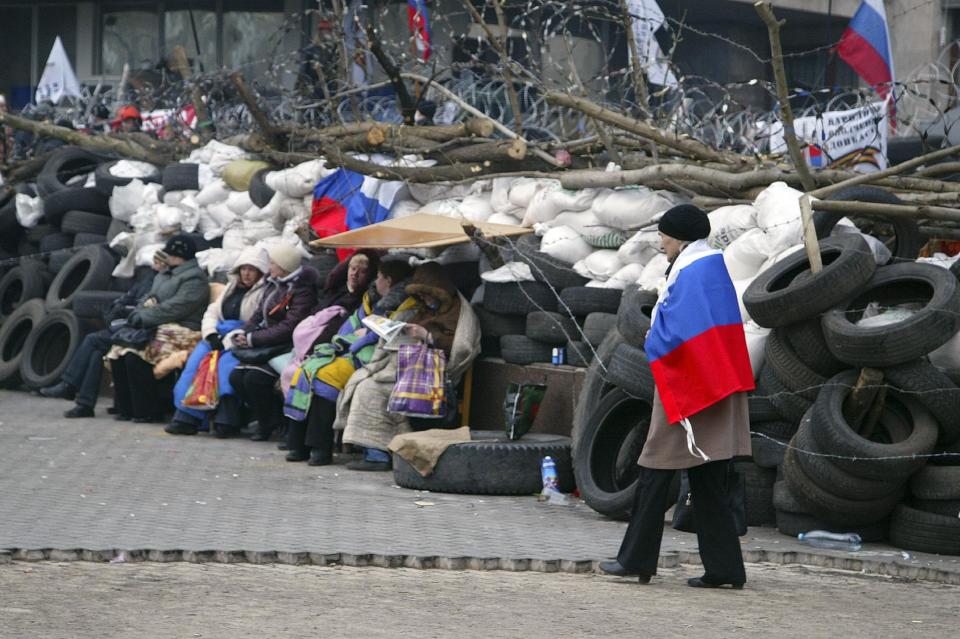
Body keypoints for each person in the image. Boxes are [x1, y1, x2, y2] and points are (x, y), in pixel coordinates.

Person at [599, 204, 754, 589]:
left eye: (665, 235)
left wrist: (653, 338)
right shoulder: (711, 267)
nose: (661, 242)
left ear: (680, 237)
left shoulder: (693, 272)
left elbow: (678, 334)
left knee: (653, 471)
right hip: (717, 385)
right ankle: (725, 570)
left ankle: (636, 560)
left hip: (692, 391)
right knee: (708, 481)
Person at [337, 261, 481, 471]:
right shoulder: (424, 309)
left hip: (433, 374)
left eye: (427, 294)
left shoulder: (460, 313)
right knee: (364, 384)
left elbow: (462, 347)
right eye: (421, 296)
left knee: (373, 389)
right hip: (408, 368)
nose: (424, 299)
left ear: (440, 292)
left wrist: (428, 336)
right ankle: (375, 451)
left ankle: (379, 455)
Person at [285, 260, 415, 465]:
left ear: (388, 280)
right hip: (351, 351)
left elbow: (380, 335)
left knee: (324, 378)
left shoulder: (405, 306)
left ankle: (320, 449)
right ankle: (298, 444)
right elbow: (352, 326)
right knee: (305, 369)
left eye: (378, 277)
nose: (375, 281)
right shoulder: (371, 300)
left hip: (371, 358)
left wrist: (360, 339)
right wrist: (348, 340)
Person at [164, 247, 271, 437]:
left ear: (260, 272)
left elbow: (258, 321)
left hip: (239, 339)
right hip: (215, 336)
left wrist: (230, 340)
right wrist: (211, 334)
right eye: (243, 269)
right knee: (193, 369)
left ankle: (226, 421)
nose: (246, 274)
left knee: (224, 372)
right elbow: (212, 312)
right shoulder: (230, 288)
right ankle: (186, 418)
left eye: (252, 269)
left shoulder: (264, 292)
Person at [106, 235, 211, 423]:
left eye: (170, 253)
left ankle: (147, 410)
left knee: (136, 355)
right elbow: (147, 297)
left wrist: (143, 316)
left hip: (184, 330)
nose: (166, 256)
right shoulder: (164, 274)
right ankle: (126, 409)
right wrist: (138, 312)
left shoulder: (195, 279)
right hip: (158, 325)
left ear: (180, 256)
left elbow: (177, 307)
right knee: (120, 350)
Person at [223, 244, 319, 442]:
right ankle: (267, 420)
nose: (269, 267)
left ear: (284, 266)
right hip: (266, 343)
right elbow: (259, 314)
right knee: (236, 376)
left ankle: (274, 422)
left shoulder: (302, 290)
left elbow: (289, 326)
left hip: (286, 347)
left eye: (273, 263)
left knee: (255, 379)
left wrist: (253, 339)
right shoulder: (273, 284)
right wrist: (244, 332)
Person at [39, 264, 160, 417]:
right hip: (129, 326)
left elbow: (147, 308)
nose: (154, 263)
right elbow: (129, 298)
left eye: (159, 260)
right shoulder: (149, 279)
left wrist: (127, 312)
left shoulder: (161, 282)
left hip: (143, 330)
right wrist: (118, 306)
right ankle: (85, 405)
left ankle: (69, 385)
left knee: (92, 339)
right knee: (97, 353)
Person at [297, 20, 340, 99]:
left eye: (329, 30)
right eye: (324, 30)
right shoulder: (311, 49)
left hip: (328, 88)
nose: (327, 33)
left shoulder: (334, 51)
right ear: (320, 32)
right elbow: (303, 70)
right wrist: (304, 86)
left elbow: (336, 69)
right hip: (313, 86)